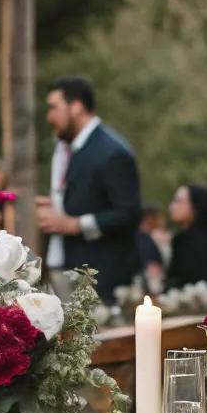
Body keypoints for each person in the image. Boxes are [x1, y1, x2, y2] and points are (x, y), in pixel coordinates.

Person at [36, 76, 142, 302]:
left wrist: (75, 225)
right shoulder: (65, 148)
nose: (49, 117)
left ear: (76, 107)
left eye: (54, 108)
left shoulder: (113, 152)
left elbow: (128, 213)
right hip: (61, 266)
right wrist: (55, 205)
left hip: (97, 279)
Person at [167, 183, 207, 288]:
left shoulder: (205, 245)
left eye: (179, 202)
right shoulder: (180, 240)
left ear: (196, 206)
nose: (171, 207)